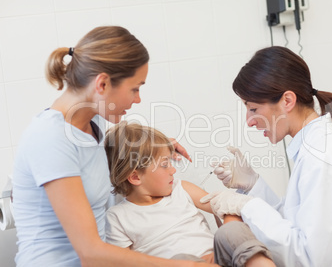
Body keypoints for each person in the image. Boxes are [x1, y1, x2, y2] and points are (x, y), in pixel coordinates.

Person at [11, 25, 215, 267]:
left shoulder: (92, 123)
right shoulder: (50, 138)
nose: (137, 99)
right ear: (103, 84)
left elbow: (102, 163)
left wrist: (154, 151)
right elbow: (91, 254)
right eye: (135, 88)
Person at [200, 46, 332, 266]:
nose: (248, 121)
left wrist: (245, 205)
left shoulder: (321, 156)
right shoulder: (314, 146)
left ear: (287, 101)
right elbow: (295, 223)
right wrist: (252, 186)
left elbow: (310, 258)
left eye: (253, 109)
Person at [104, 122, 275, 267]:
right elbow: (123, 262)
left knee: (231, 230)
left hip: (219, 258)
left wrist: (226, 233)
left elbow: (225, 207)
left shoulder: (181, 189)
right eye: (165, 164)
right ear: (135, 176)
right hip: (179, 264)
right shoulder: (117, 217)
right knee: (181, 259)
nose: (173, 169)